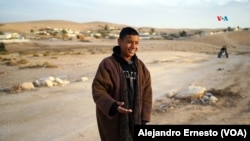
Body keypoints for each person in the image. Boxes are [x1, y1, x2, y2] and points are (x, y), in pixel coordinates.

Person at [92, 27, 152, 141]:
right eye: (129, 42)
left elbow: (147, 93)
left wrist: (144, 118)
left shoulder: (141, 67)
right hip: (114, 120)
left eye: (136, 43)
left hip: (136, 119)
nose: (133, 46)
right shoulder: (108, 64)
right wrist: (113, 106)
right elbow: (98, 90)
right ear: (119, 42)